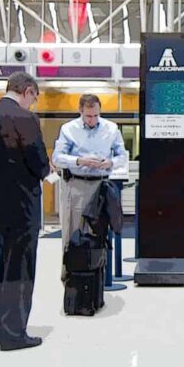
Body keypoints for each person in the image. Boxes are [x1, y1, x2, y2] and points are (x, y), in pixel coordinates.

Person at [0, 72, 49, 351]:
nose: (33, 104)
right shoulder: (25, 119)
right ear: (27, 91)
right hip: (20, 210)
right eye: (34, 98)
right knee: (18, 271)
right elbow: (39, 163)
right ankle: (13, 334)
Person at [52, 94, 127, 268]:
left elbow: (122, 156)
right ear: (80, 111)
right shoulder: (69, 129)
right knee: (73, 234)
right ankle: (70, 278)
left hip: (101, 187)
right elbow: (57, 158)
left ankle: (96, 278)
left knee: (99, 234)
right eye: (88, 116)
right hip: (77, 186)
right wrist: (79, 161)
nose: (92, 120)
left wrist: (111, 163)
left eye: (95, 115)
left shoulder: (111, 128)